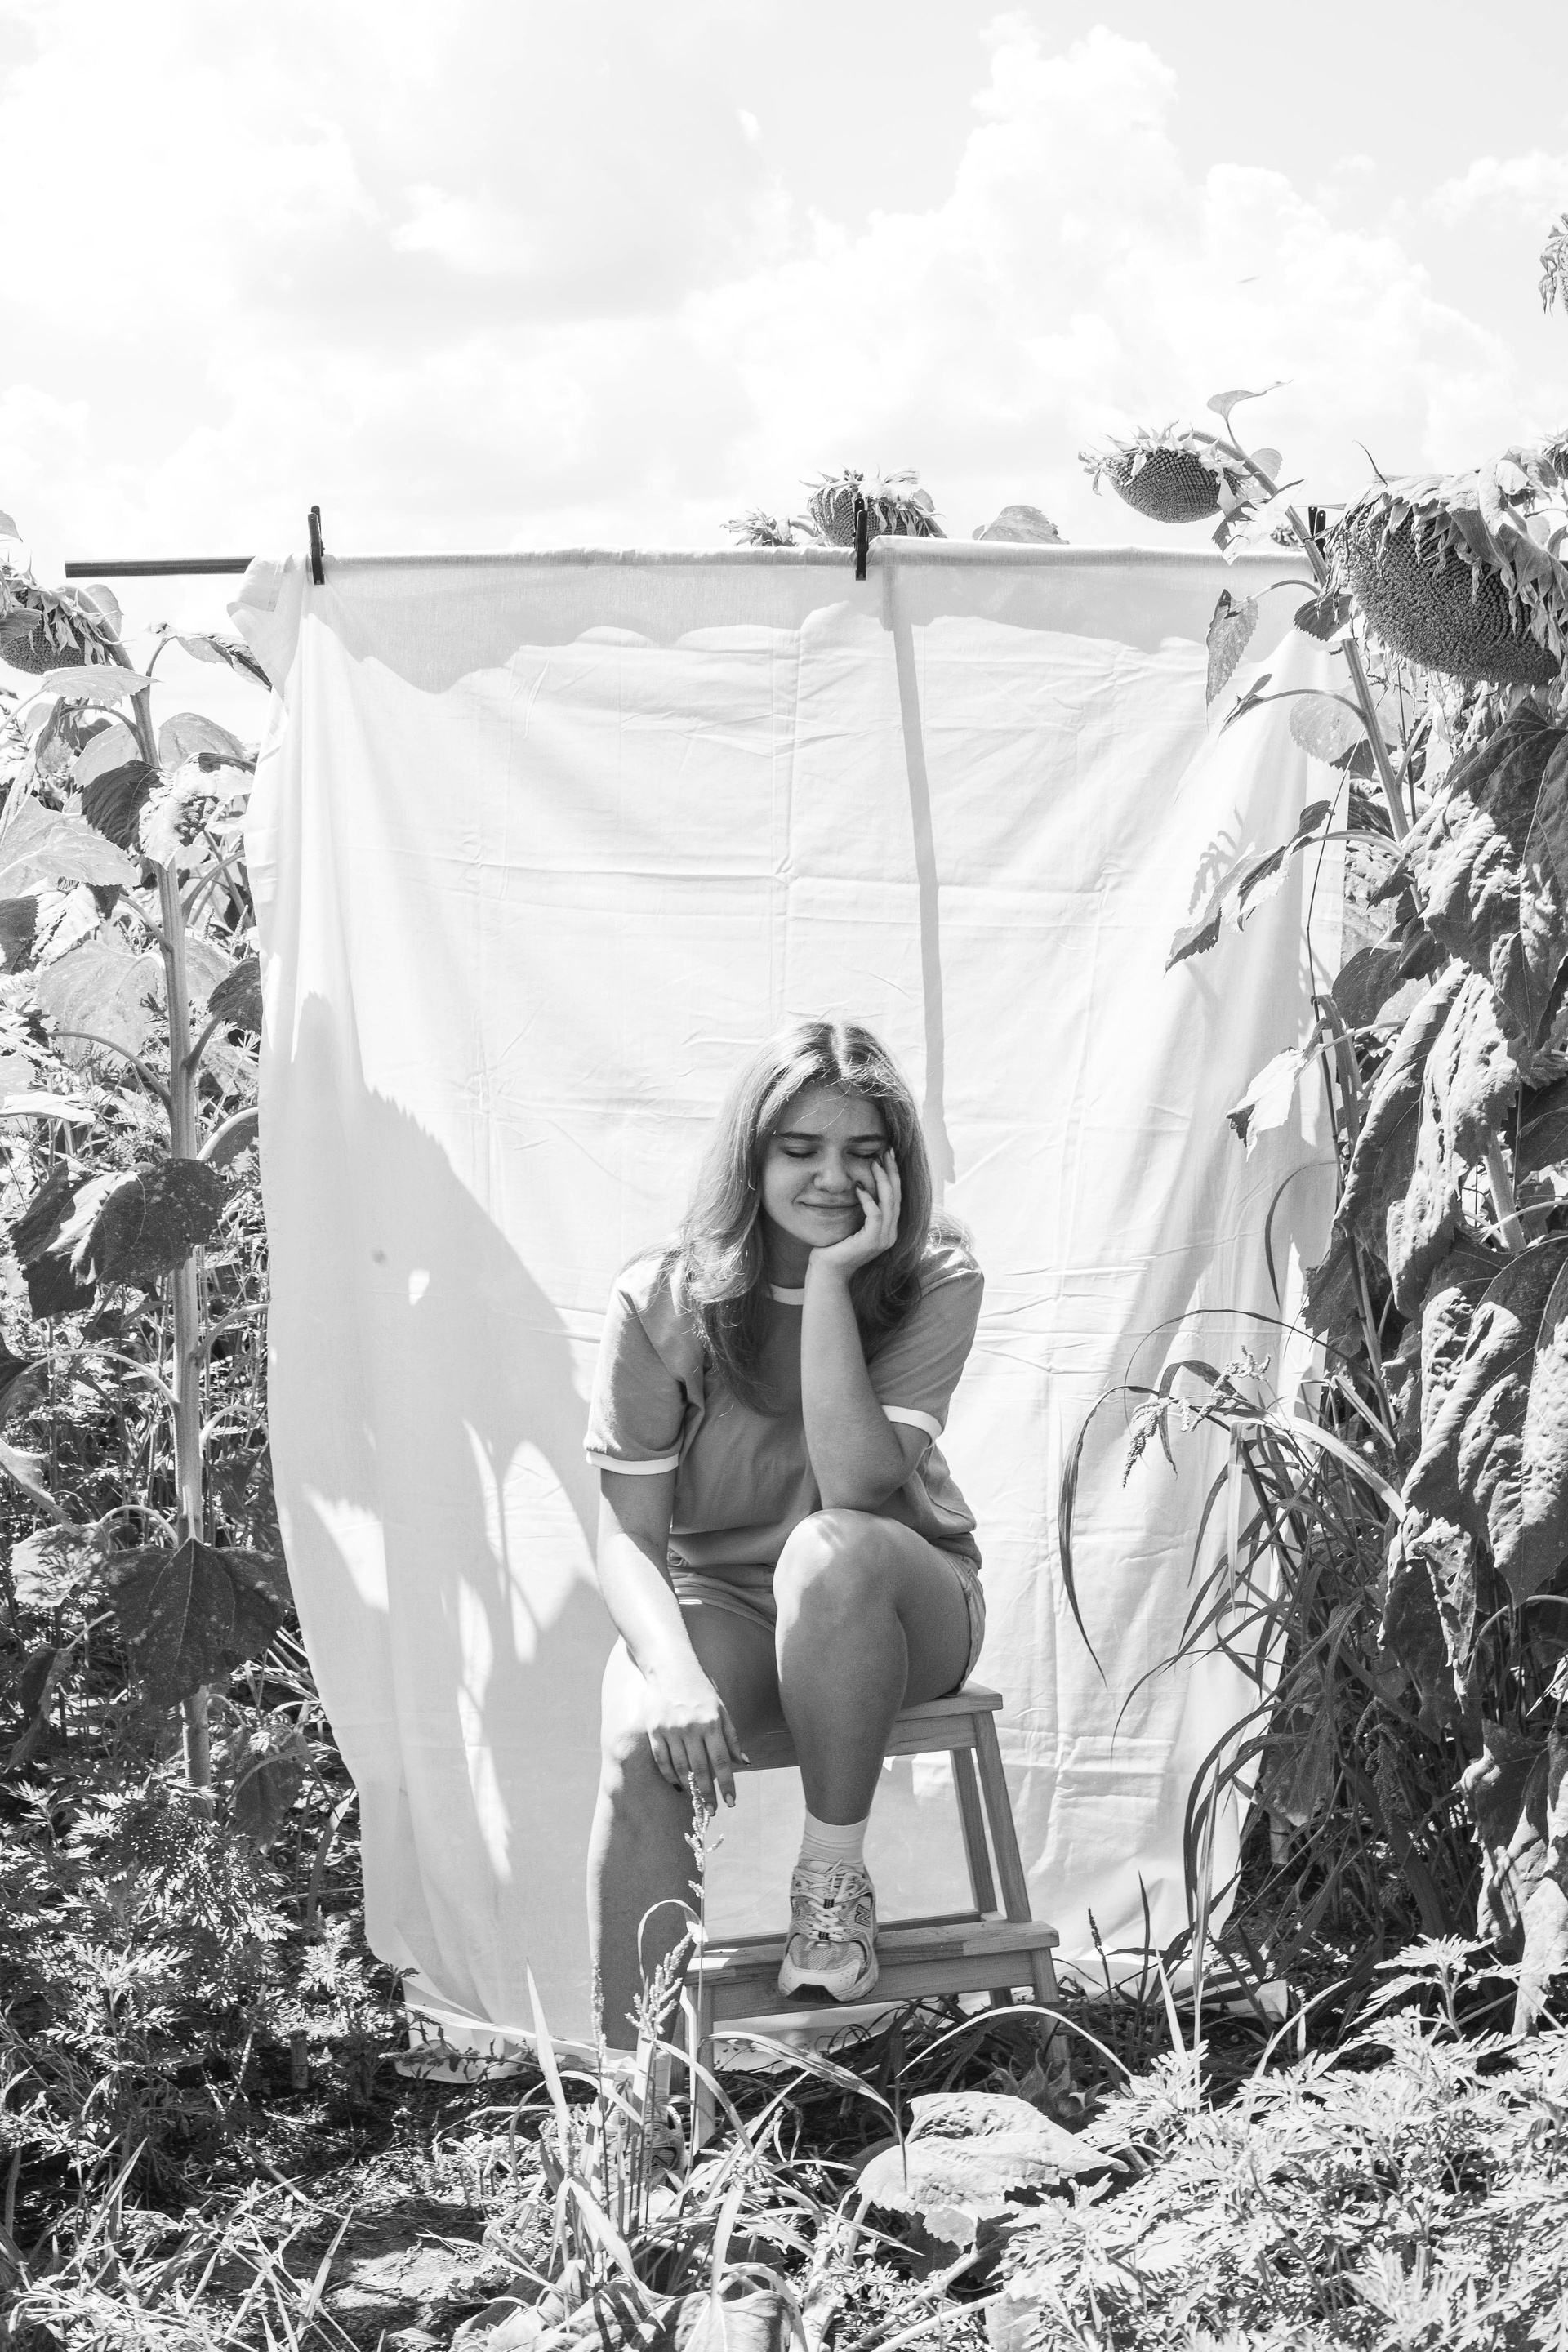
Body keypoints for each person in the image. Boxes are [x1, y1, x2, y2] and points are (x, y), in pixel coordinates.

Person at [583, 1017, 987, 2051]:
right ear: (750, 1157)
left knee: (829, 1549)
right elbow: (627, 1535)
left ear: (896, 1164)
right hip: (728, 1605)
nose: (832, 1177)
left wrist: (834, 1281)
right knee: (638, 1739)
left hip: (896, 1603)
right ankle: (639, 2087)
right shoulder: (661, 1299)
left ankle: (831, 1885)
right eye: (800, 1149)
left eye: (863, 1152)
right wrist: (674, 1674)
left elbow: (856, 1485)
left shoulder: (934, 1276)